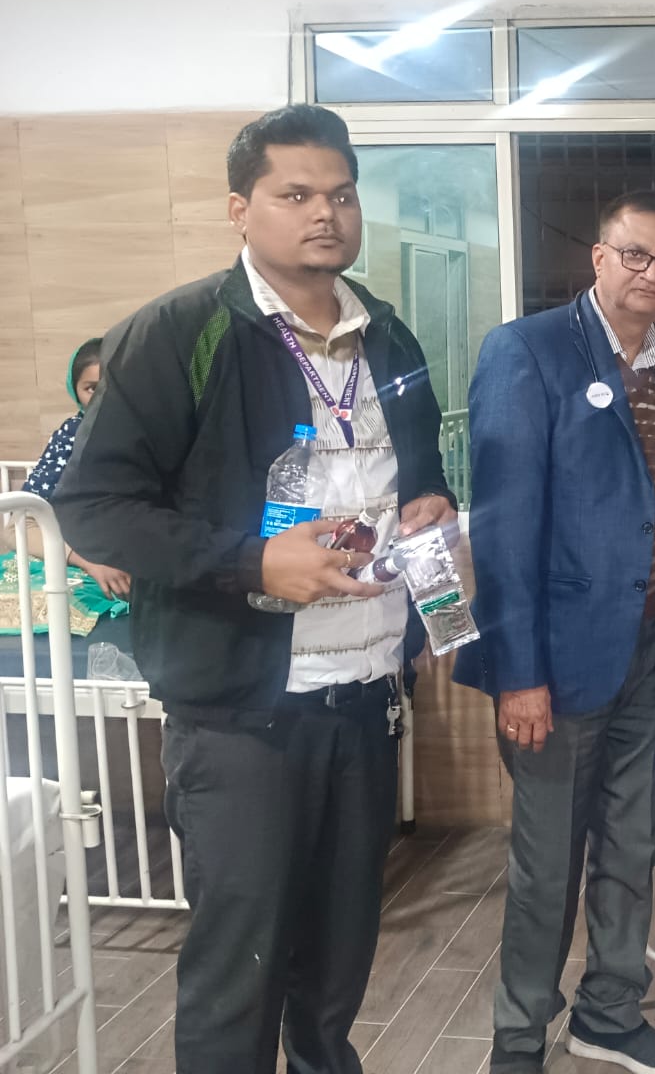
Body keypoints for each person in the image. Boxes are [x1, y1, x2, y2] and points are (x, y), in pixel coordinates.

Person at [51, 104, 456, 1074]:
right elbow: (93, 507)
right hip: (240, 711)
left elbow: (419, 462)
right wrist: (252, 562)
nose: (325, 214)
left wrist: (431, 504)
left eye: (342, 195)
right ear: (241, 208)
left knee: (338, 960)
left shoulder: (389, 336)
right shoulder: (177, 333)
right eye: (296, 194)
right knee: (241, 967)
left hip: (365, 697)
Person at [462, 189, 655, 1074]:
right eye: (635, 254)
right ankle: (518, 1036)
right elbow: (502, 527)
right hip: (557, 660)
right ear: (599, 258)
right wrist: (518, 671)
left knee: (631, 845)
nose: (653, 273)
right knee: (545, 862)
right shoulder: (527, 351)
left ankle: (608, 1013)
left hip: (652, 646)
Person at [21, 338, 131, 600]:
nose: (105, 397)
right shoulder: (71, 436)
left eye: (115, 386)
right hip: (74, 558)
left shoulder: (150, 435)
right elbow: (23, 523)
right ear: (75, 390)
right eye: (92, 388)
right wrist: (89, 563)